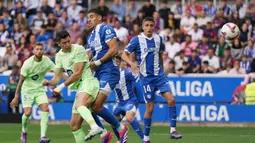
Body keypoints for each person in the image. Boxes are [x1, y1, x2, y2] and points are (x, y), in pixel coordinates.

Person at [122, 17, 182, 143]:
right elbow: (124, 54)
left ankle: (173, 131)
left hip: (159, 76)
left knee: (171, 100)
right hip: (146, 79)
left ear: (154, 27)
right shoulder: (137, 40)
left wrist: (162, 71)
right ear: (143, 27)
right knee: (150, 109)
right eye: (147, 25)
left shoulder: (159, 39)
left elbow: (159, 55)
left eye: (151, 25)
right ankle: (146, 138)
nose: (149, 28)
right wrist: (131, 63)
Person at [42, 30, 103, 143]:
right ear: (58, 44)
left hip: (88, 82)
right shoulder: (59, 56)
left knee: (80, 105)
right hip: (80, 88)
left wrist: (60, 87)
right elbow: (57, 77)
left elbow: (77, 73)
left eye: (69, 41)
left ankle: (95, 127)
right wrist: (49, 83)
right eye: (64, 43)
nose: (67, 44)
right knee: (74, 125)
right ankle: (101, 132)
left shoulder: (78, 49)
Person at [85, 8, 129, 143]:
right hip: (98, 73)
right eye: (88, 17)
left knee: (96, 105)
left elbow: (114, 49)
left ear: (99, 18)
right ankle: (104, 134)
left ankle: (121, 128)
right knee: (87, 105)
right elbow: (87, 56)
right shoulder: (91, 36)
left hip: (109, 71)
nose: (89, 19)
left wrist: (97, 62)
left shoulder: (106, 28)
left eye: (92, 16)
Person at [10, 43, 55, 143]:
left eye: (41, 49)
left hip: (39, 90)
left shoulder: (47, 60)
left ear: (43, 51)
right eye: (37, 49)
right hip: (27, 91)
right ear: (33, 51)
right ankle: (24, 132)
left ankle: (43, 137)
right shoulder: (27, 64)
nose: (39, 51)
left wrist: (54, 82)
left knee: (45, 108)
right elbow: (20, 81)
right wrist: (16, 96)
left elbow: (58, 71)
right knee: (27, 113)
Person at [112, 55, 144, 142]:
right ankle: (121, 140)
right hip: (120, 104)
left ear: (122, 63)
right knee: (112, 121)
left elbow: (138, 78)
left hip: (130, 101)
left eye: (118, 61)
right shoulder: (110, 76)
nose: (116, 63)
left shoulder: (126, 73)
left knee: (129, 117)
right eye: (114, 61)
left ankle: (144, 139)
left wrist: (139, 71)